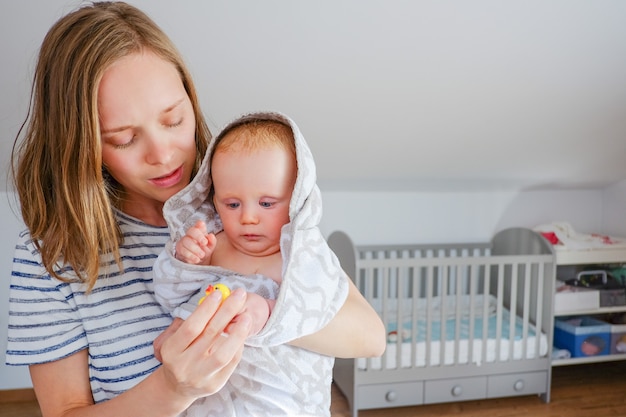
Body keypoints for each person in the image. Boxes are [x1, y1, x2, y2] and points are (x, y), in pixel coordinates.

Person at [5, 2, 386, 417]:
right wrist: (172, 389)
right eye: (124, 138)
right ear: (80, 144)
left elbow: (369, 337)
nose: (163, 154)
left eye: (173, 120)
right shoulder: (49, 261)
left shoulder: (243, 202)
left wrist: (256, 289)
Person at [153, 112, 352, 416]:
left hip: (281, 392)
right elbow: (169, 296)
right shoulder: (214, 243)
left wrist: (268, 312)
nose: (248, 217)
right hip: (211, 393)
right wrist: (188, 261)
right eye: (232, 204)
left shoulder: (303, 257)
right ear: (213, 197)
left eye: (267, 203)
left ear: (297, 198)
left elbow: (321, 309)